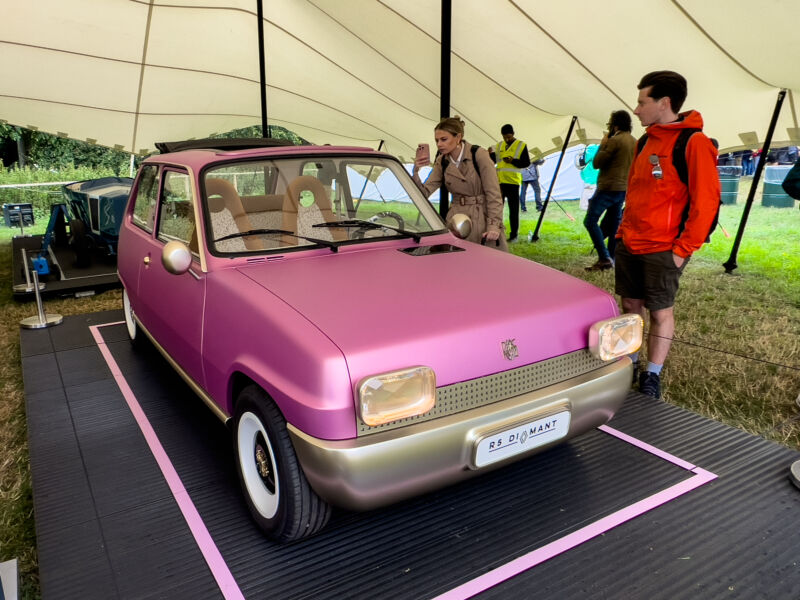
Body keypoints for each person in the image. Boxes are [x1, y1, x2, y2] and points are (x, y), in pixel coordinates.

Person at [615, 70, 720, 399]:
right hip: (630, 241)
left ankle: (652, 375)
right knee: (631, 305)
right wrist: (621, 232)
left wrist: (682, 249)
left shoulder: (694, 142)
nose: (636, 110)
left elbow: (706, 202)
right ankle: (629, 363)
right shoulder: (646, 141)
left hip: (664, 247)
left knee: (660, 311)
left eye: (641, 102)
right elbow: (635, 190)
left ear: (664, 103)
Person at [412, 116, 508, 251]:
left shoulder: (479, 154)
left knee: (483, 263)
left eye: (444, 139)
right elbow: (424, 193)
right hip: (456, 218)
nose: (439, 144)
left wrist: (493, 225)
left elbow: (493, 194)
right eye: (436, 140)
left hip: (481, 217)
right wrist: (416, 171)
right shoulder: (442, 161)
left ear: (458, 137)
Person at [583, 110, 636, 271]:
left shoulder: (614, 141)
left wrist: (603, 143)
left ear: (615, 125)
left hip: (608, 187)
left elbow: (597, 163)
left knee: (590, 221)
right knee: (614, 225)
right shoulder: (635, 141)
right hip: (623, 189)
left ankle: (604, 257)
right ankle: (612, 257)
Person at [488, 124, 530, 242]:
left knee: (513, 210)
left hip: (513, 182)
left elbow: (526, 163)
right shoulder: (499, 145)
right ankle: (497, 232)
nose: (507, 139)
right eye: (504, 137)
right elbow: (493, 160)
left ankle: (514, 235)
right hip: (500, 182)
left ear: (513, 134)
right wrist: (489, 154)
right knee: (496, 209)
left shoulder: (521, 145)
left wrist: (513, 161)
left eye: (509, 137)